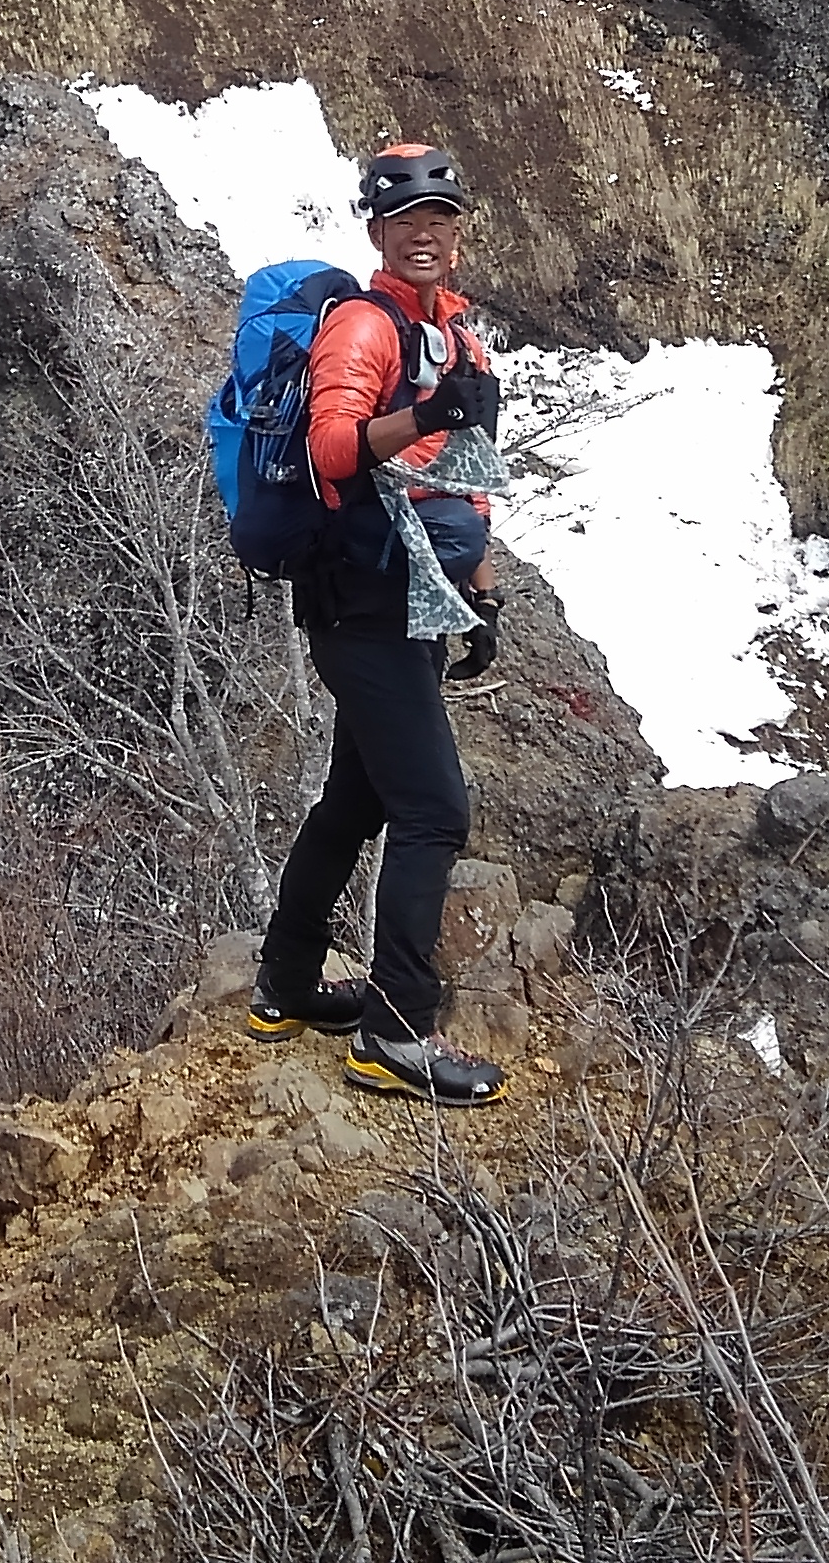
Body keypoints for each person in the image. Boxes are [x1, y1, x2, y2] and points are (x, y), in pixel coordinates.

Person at [245, 140, 511, 1103]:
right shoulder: (363, 326)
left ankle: (284, 986)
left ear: (458, 230)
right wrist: (427, 412)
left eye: (440, 217)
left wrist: (481, 591)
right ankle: (395, 1033)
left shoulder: (457, 336)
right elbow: (331, 450)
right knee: (434, 811)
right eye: (406, 219)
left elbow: (466, 478)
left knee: (356, 803)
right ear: (377, 232)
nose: (424, 233)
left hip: (416, 596)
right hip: (361, 598)